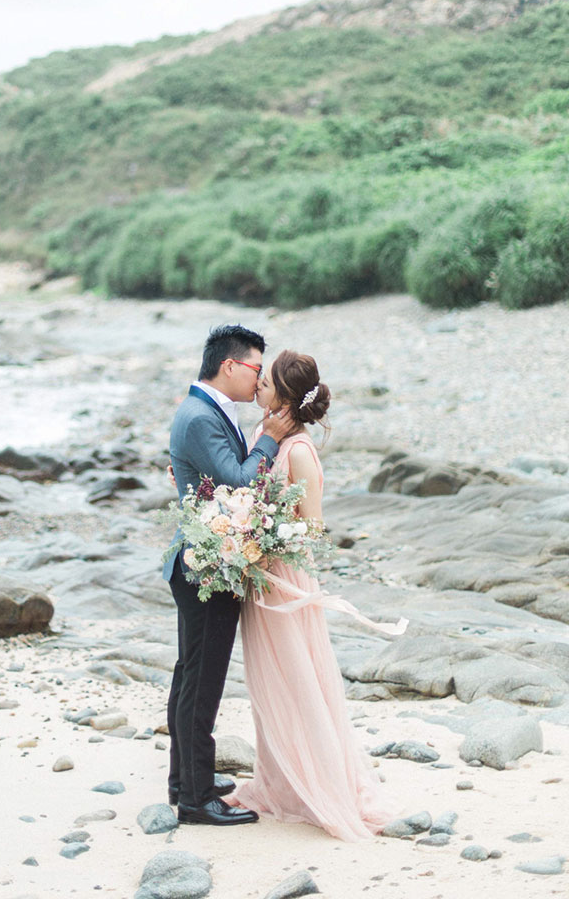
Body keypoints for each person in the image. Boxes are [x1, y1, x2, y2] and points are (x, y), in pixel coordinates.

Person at [228, 349, 402, 839]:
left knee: (299, 681)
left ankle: (319, 784)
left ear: (285, 396)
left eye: (265, 383)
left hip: (284, 582)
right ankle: (280, 782)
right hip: (262, 580)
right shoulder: (267, 438)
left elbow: (314, 529)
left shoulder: (299, 451)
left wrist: (262, 541)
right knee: (268, 683)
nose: (257, 386)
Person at [165, 324, 294, 826]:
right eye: (257, 369)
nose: (260, 379)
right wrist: (273, 440)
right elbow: (241, 480)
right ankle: (196, 800)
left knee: (190, 676)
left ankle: (186, 779)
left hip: (206, 561)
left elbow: (212, 475)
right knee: (201, 683)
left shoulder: (207, 410)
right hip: (205, 568)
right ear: (230, 366)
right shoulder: (200, 416)